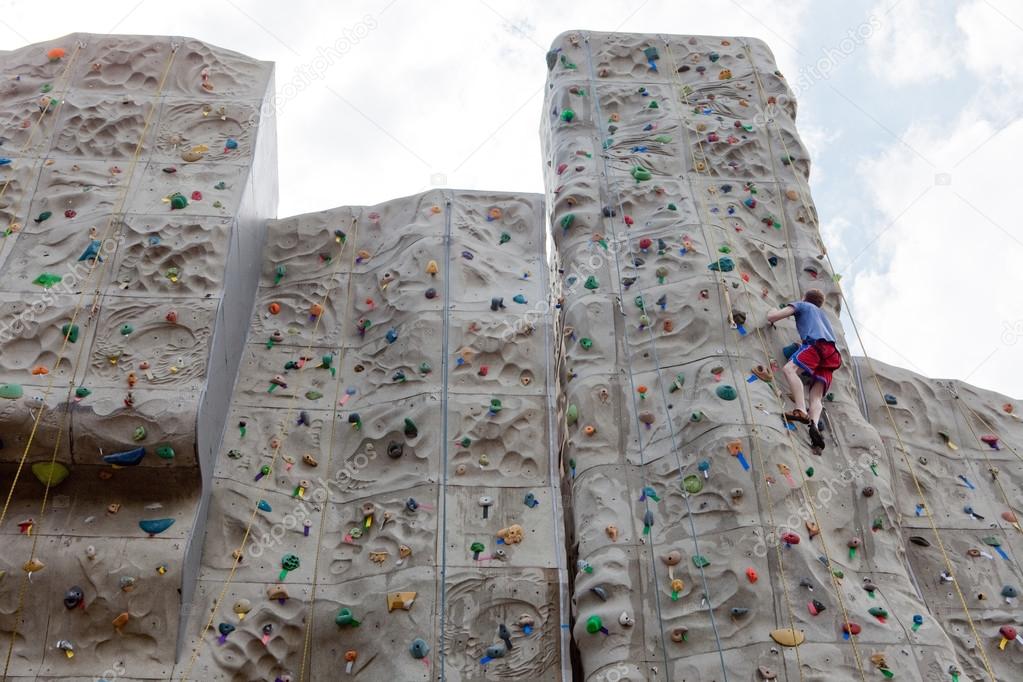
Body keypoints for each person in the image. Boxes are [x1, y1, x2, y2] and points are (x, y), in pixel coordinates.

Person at [766, 288, 841, 450]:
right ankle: (813, 427)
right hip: (832, 355)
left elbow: (773, 317)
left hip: (816, 345)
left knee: (789, 370)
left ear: (804, 298)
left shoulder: (803, 305)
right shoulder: (823, 317)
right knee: (816, 397)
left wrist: (772, 311)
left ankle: (800, 409)